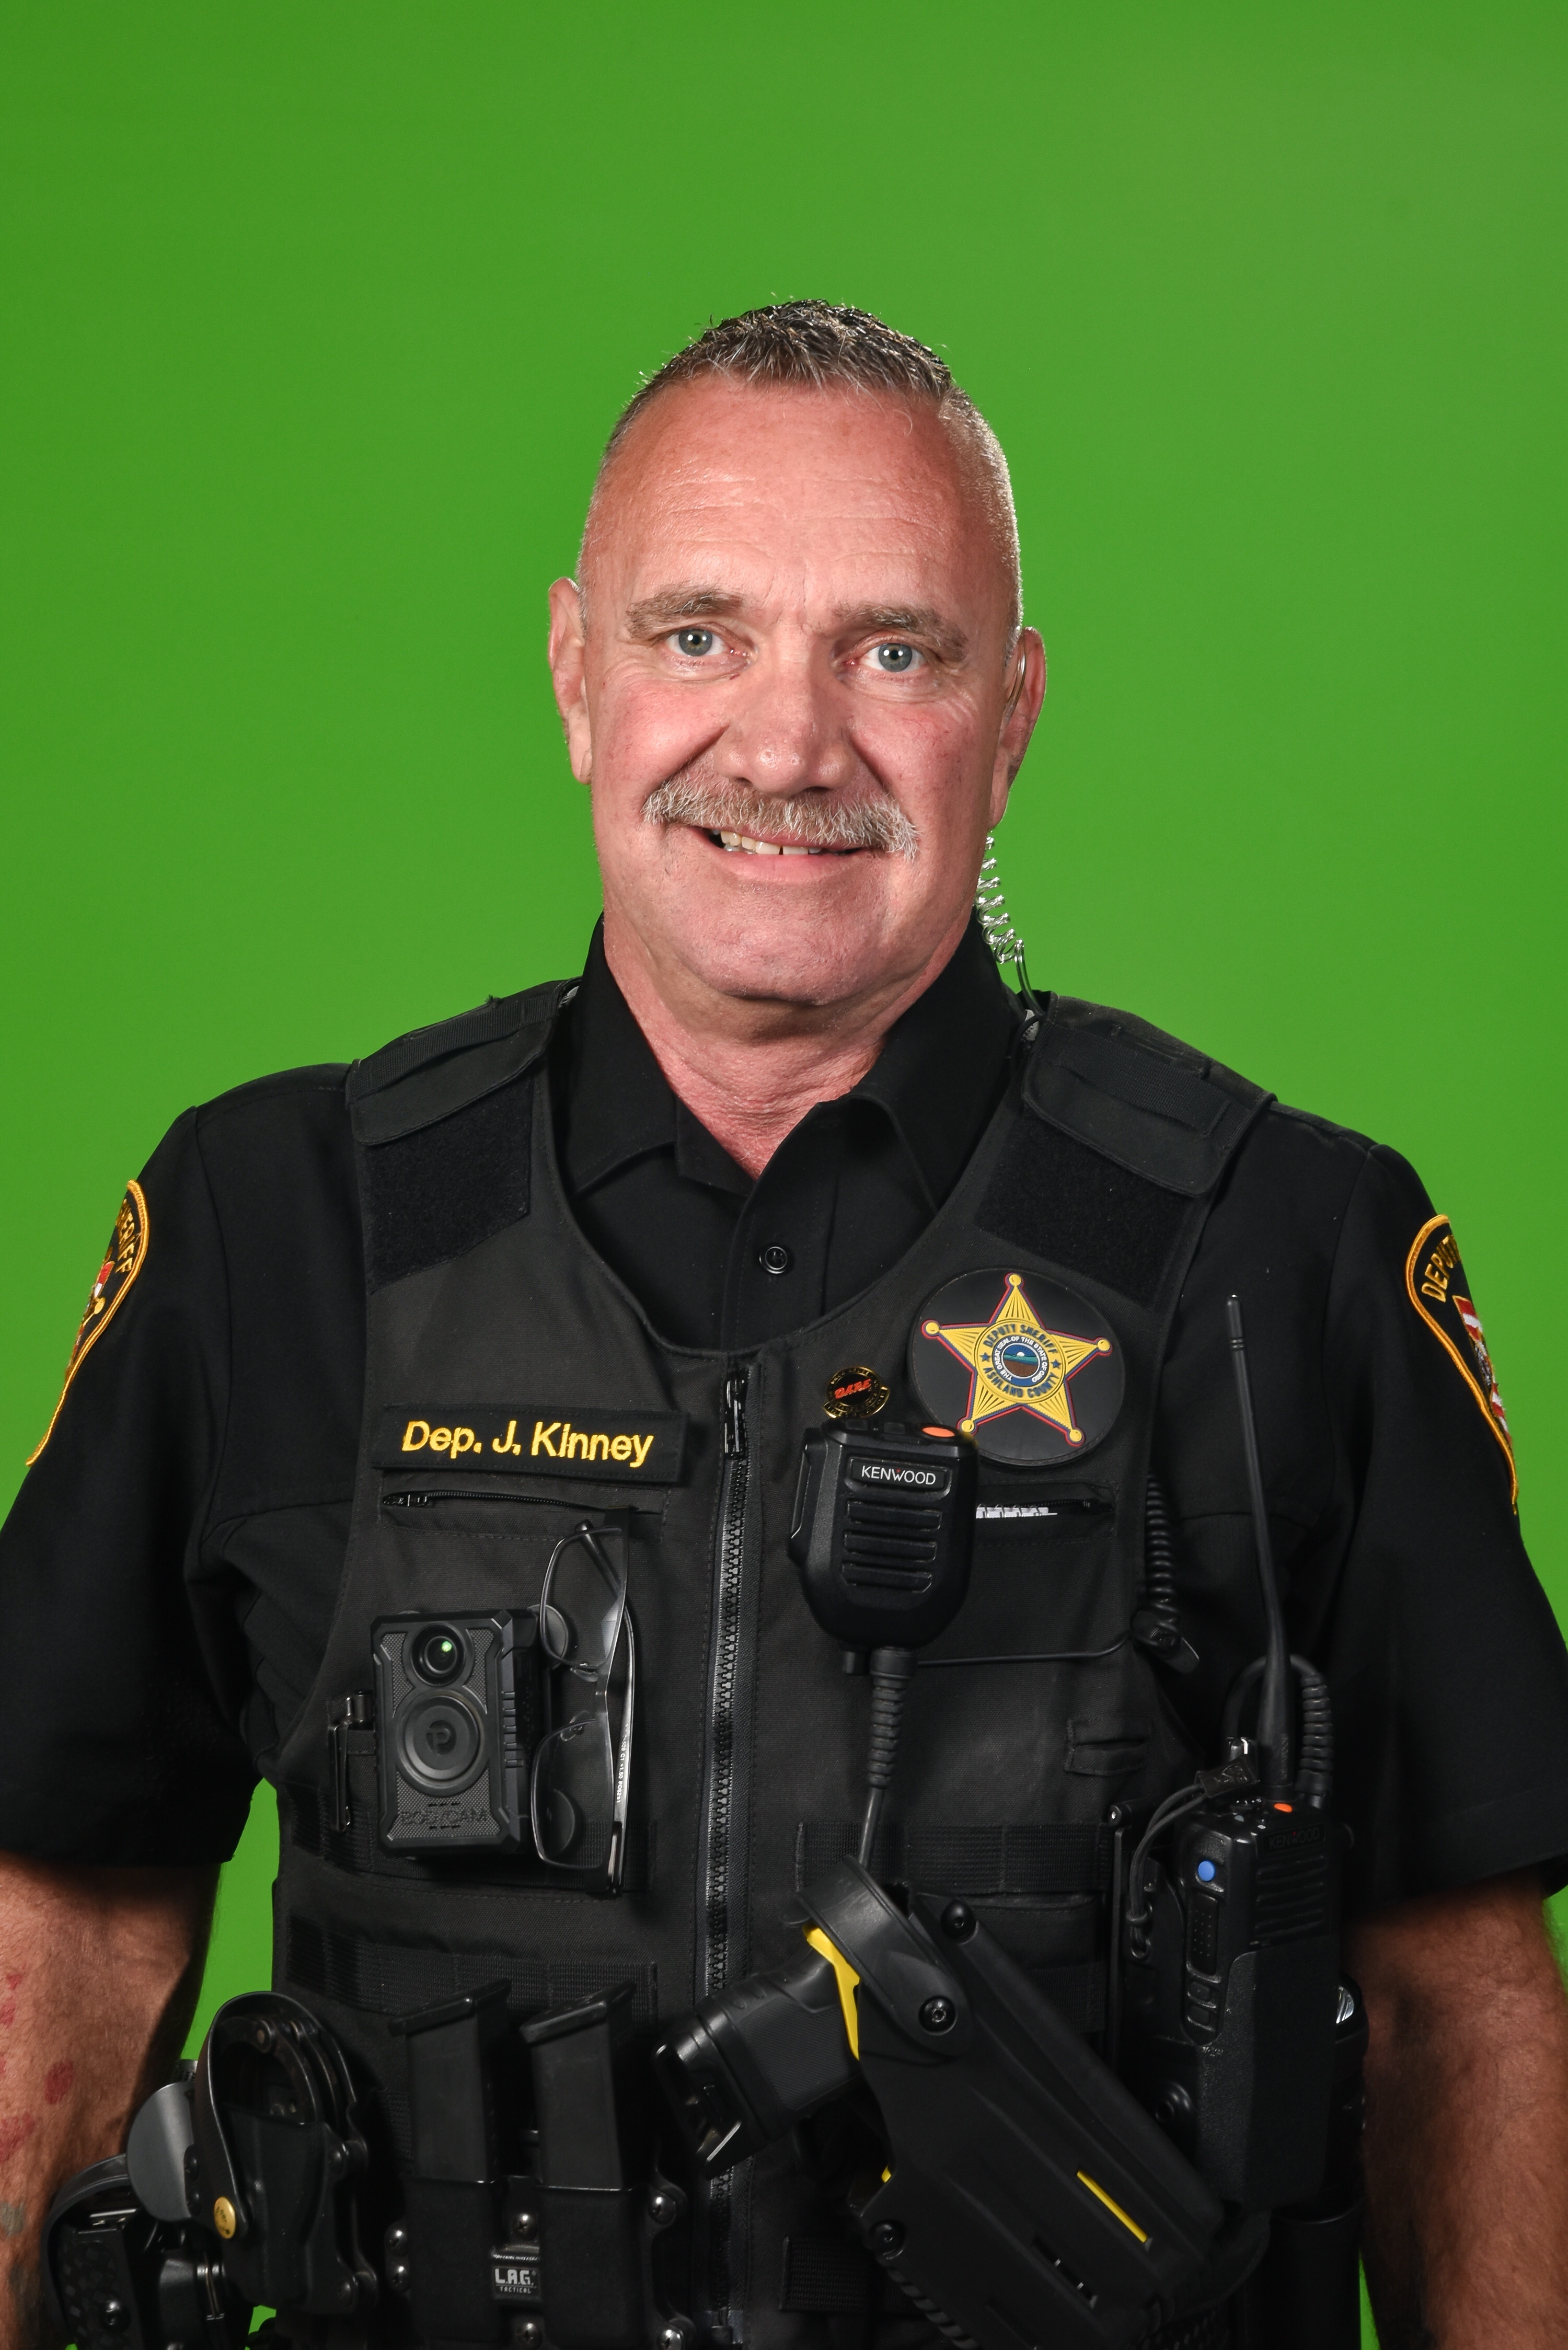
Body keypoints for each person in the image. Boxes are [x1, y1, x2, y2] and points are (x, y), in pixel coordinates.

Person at [1, 300, 1566, 2350]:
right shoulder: (276, 1228)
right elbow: (64, 1929)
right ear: (576, 674)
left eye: (892, 651)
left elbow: (1459, 2002)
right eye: (699, 635)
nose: (788, 745)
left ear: (1013, 710)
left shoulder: (1281, 1250)